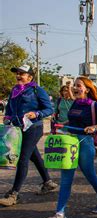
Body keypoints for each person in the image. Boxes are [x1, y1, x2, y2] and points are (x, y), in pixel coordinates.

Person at [42, 76, 97, 218]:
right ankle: (60, 212)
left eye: (78, 85)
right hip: (70, 141)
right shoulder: (75, 103)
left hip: (85, 142)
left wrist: (95, 127)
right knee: (66, 177)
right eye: (74, 85)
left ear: (86, 89)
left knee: (89, 174)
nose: (75, 88)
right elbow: (73, 120)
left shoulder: (94, 105)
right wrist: (62, 124)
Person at [0, 65, 57, 207]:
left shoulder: (38, 90)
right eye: (17, 73)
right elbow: (9, 107)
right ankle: (48, 182)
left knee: (22, 158)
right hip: (18, 129)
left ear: (30, 77)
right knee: (34, 156)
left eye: (22, 74)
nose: (18, 76)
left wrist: (37, 114)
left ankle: (15, 194)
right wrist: (7, 116)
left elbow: (49, 109)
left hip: (33, 128)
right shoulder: (15, 90)